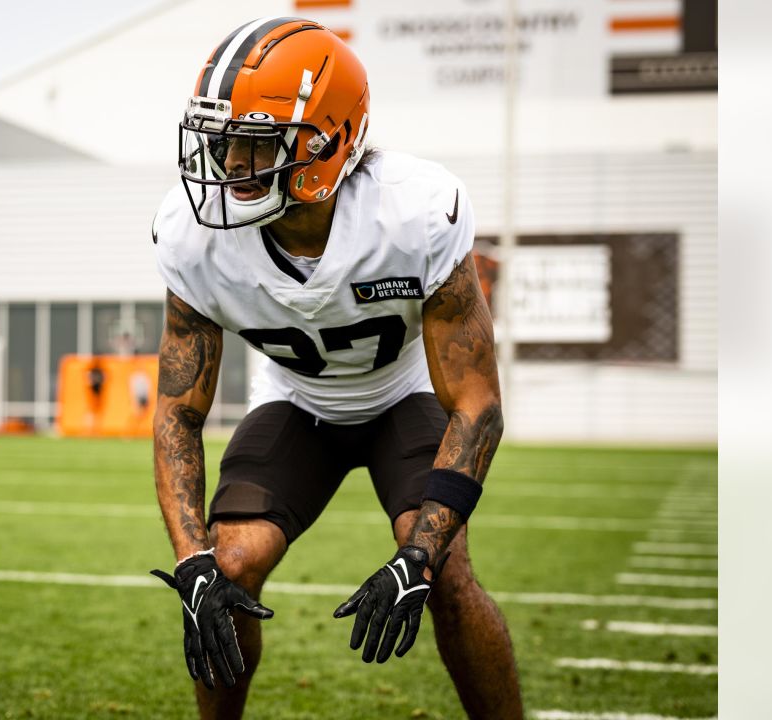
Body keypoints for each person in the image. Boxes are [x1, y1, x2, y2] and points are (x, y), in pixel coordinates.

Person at [148, 18, 521, 719]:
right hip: (297, 402)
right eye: (224, 139)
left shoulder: (412, 212)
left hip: (403, 394)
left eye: (255, 142)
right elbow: (178, 411)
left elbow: (477, 404)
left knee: (444, 572)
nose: (229, 163)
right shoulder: (193, 238)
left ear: (329, 142)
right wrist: (192, 560)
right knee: (227, 572)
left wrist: (418, 557)